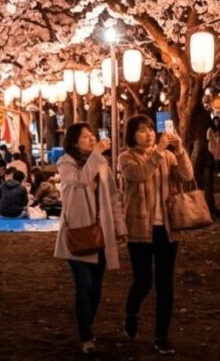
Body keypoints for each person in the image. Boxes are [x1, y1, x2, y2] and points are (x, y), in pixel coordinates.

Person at [118, 114, 193, 356]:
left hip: (167, 228)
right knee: (143, 281)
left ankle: (162, 336)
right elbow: (138, 175)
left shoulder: (168, 156)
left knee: (165, 284)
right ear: (132, 135)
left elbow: (187, 176)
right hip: (139, 229)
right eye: (142, 130)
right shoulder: (126, 158)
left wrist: (179, 150)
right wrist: (159, 151)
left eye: (151, 129)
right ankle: (132, 311)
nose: (149, 134)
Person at [54, 123, 126, 357]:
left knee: (95, 287)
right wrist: (97, 154)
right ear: (74, 142)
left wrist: (119, 227)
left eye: (92, 135)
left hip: (100, 232)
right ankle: (85, 336)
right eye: (85, 136)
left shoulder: (101, 163)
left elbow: (112, 198)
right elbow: (81, 180)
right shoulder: (66, 163)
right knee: (83, 285)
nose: (91, 138)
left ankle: (88, 326)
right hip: (77, 233)